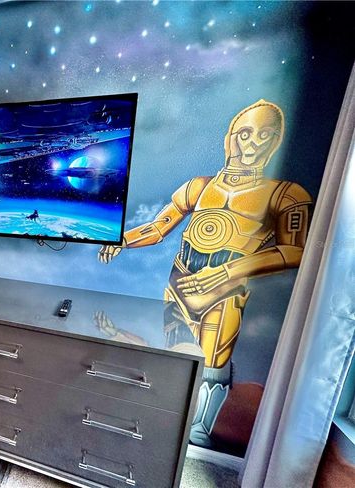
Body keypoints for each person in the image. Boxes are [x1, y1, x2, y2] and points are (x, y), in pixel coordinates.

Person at [98, 100, 312, 447]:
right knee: (179, 357)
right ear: (231, 138)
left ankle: (197, 432)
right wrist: (122, 239)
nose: (252, 144)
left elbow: (295, 250)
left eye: (264, 135)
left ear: (275, 141)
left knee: (213, 361)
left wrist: (228, 271)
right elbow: (158, 228)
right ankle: (169, 422)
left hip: (225, 290)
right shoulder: (198, 186)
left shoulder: (285, 195)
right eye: (245, 134)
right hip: (180, 283)